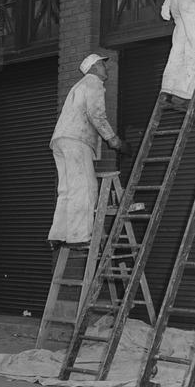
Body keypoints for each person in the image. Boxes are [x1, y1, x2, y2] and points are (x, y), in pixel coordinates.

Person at [48, 54, 129, 248]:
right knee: (85, 187)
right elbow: (96, 114)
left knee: (67, 189)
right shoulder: (93, 84)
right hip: (77, 139)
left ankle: (57, 235)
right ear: (92, 68)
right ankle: (80, 236)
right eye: (102, 65)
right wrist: (113, 139)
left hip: (61, 140)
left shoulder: (79, 86)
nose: (106, 68)